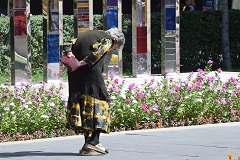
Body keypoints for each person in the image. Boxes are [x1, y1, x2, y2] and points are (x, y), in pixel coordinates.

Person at [63, 27, 125, 155]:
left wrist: (69, 53)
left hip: (75, 76)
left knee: (85, 107)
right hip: (91, 75)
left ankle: (87, 145)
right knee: (102, 101)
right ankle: (94, 142)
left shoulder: (86, 34)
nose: (112, 50)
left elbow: (67, 43)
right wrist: (83, 62)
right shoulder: (107, 40)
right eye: (115, 48)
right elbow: (97, 53)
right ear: (115, 40)